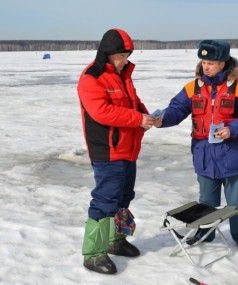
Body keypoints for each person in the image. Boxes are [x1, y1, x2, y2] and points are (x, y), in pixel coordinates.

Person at [154, 40, 238, 252]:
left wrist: (232, 129)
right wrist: (161, 120)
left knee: (237, 202)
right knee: (206, 202)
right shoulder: (193, 87)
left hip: (232, 154)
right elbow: (176, 109)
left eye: (211, 63)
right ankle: (206, 234)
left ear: (223, 63)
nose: (206, 66)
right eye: (203, 62)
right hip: (204, 154)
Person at [77, 28, 154, 274]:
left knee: (123, 197)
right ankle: (93, 254)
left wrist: (147, 115)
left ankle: (115, 241)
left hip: (128, 148)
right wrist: (137, 119)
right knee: (104, 201)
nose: (124, 60)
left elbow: (132, 102)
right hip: (107, 150)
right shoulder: (92, 77)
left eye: (127, 55)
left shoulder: (123, 74)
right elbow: (101, 111)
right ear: (107, 53)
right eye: (120, 55)